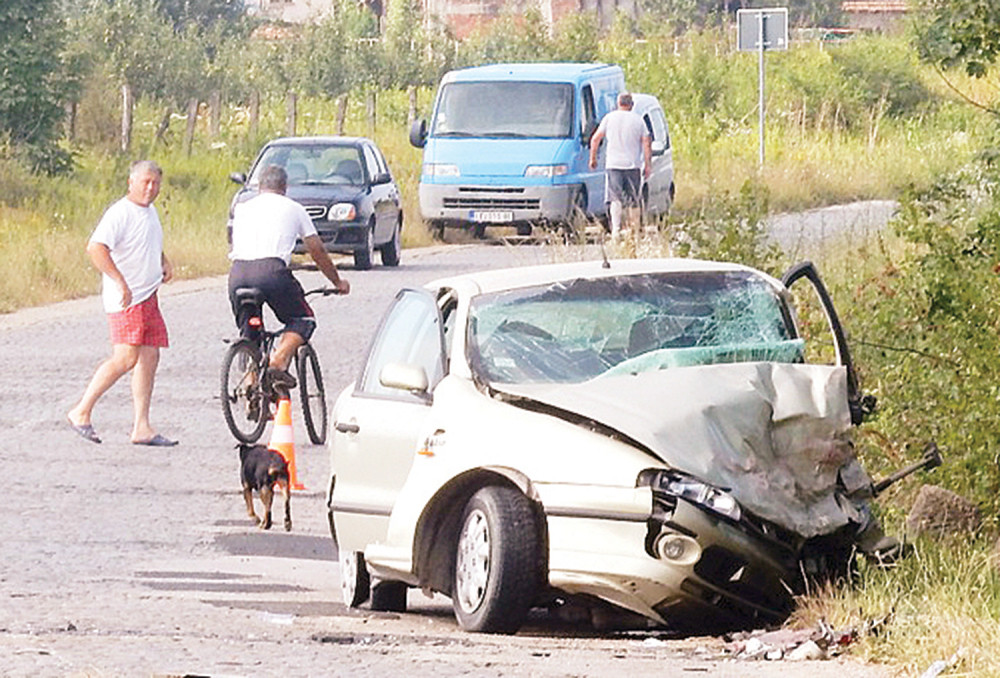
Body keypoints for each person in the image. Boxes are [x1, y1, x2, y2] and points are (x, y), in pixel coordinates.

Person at [67, 160, 177, 446]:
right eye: (145, 182)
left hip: (148, 295)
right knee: (126, 357)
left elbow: (147, 241)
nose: (150, 188)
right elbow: (96, 248)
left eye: (155, 183)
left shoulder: (149, 212)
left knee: (150, 356)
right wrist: (119, 281)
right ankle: (81, 410)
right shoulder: (120, 212)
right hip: (127, 299)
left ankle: (142, 426)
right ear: (132, 182)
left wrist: (163, 261)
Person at [227, 164, 350, 390]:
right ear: (285, 187)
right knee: (303, 319)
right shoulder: (294, 208)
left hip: (238, 274)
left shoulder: (242, 207)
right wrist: (337, 282)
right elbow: (317, 251)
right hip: (272, 273)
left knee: (251, 331)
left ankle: (250, 385)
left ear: (260, 186)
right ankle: (278, 360)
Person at [588, 92, 652, 241]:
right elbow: (646, 142)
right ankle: (633, 230)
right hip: (633, 165)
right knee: (633, 199)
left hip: (614, 164)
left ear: (618, 103)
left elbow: (595, 139)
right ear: (632, 105)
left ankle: (616, 230)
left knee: (615, 197)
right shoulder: (638, 120)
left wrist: (593, 158)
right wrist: (647, 164)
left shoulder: (609, 118)